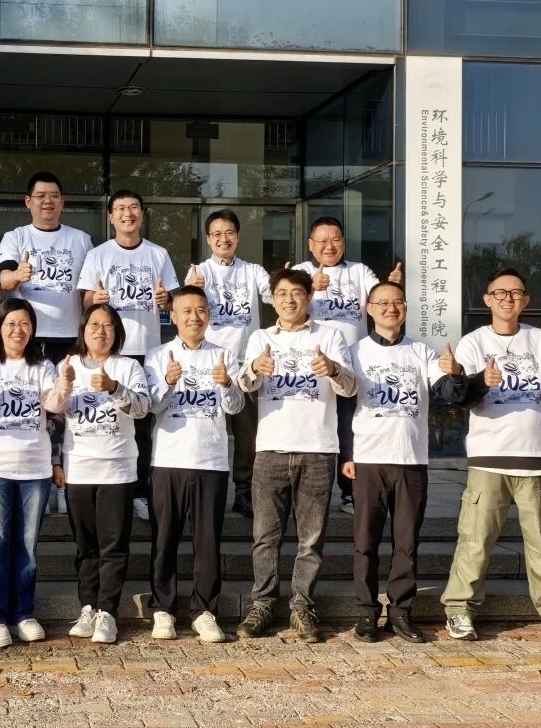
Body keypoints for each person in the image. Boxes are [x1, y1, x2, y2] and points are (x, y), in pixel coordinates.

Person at [442, 268, 541, 644]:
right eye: (500, 292)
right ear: (487, 299)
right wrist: (481, 380)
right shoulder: (473, 342)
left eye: (516, 292)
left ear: (525, 300)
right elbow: (461, 396)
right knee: (475, 540)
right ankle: (459, 610)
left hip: (535, 458)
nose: (508, 298)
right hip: (488, 459)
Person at [236, 267, 357, 643]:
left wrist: (332, 369)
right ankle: (262, 604)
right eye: (282, 293)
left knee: (311, 539)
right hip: (270, 448)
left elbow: (350, 388)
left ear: (309, 297)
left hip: (317, 449)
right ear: (272, 299)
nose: (289, 300)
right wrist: (255, 368)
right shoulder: (260, 337)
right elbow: (243, 384)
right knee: (265, 536)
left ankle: (302, 606)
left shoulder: (330, 335)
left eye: (297, 293)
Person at [342, 281, 466, 644]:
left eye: (397, 302)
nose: (390, 308)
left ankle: (400, 611)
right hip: (368, 460)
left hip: (411, 461)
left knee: (406, 543)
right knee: (365, 542)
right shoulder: (355, 352)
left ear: (406, 309)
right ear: (369, 309)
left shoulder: (421, 352)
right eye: (382, 303)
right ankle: (366, 612)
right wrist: (346, 455)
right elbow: (343, 406)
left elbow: (447, 392)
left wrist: (454, 373)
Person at [0, 299, 68, 648]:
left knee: (26, 546)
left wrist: (65, 384)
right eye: (10, 323)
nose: (17, 330)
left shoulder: (43, 366)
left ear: (32, 329)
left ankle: (23, 612)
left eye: (24, 324)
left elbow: (53, 404)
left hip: (34, 468)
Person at [143, 285, 243, 644]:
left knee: (207, 541)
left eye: (200, 310)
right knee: (164, 539)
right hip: (168, 459)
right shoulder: (157, 355)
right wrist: (168, 383)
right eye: (186, 311)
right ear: (172, 316)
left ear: (209, 315)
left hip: (210, 460)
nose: (194, 317)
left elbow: (235, 408)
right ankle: (163, 608)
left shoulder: (224, 355)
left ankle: (204, 610)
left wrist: (227, 383)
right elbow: (151, 407)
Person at [293, 216, 402, 514]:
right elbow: (286, 304)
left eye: (336, 239)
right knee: (313, 428)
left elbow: (378, 296)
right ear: (311, 245)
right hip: (310, 369)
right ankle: (305, 494)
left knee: (348, 430)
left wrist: (391, 287)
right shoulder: (301, 272)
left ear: (343, 242)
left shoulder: (359, 271)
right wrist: (309, 287)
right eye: (322, 241)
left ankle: (349, 493)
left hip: (350, 368)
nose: (329, 246)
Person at [78, 189, 176, 522]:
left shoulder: (158, 253)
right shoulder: (98, 254)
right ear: (110, 217)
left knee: (144, 424)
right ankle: (109, 485)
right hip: (111, 352)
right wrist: (95, 299)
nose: (127, 213)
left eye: (133, 207)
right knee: (106, 421)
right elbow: (85, 302)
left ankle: (141, 492)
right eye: (120, 208)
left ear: (142, 214)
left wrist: (165, 300)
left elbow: (171, 301)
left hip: (146, 350)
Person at [58, 303, 150, 645]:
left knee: (113, 545)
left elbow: (142, 409)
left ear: (117, 332)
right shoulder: (67, 365)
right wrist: (64, 386)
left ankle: (108, 613)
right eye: (94, 324)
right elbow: (53, 412)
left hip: (117, 469)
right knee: (86, 547)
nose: (101, 331)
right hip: (79, 467)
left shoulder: (128, 367)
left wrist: (114, 388)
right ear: (83, 330)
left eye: (108, 325)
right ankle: (88, 607)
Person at [184, 208, 271, 517]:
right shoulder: (199, 272)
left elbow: (272, 295)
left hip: (246, 365)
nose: (224, 239)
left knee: (247, 433)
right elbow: (185, 309)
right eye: (217, 234)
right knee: (206, 427)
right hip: (209, 364)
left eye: (230, 233)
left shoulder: (253, 270)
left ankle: (244, 491)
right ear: (208, 239)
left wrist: (290, 282)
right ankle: (203, 490)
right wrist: (192, 288)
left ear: (238, 236)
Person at [0, 171, 93, 362]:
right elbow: (4, 281)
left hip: (71, 335)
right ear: (28, 201)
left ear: (62, 202)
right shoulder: (15, 237)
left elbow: (89, 291)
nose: (48, 201)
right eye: (40, 196)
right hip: (27, 336)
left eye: (54, 196)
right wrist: (17, 275)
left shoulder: (81, 239)